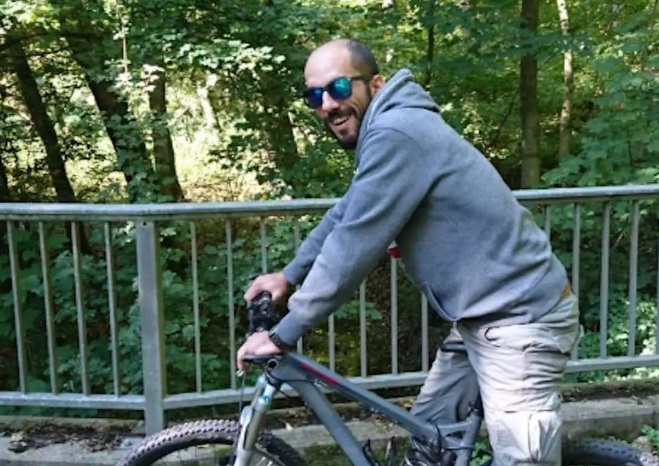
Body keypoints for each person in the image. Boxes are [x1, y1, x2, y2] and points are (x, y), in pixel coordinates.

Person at [237, 38, 581, 466]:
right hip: (481, 318)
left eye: (339, 88)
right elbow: (347, 214)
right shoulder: (389, 131)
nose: (327, 104)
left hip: (520, 321)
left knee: (521, 459)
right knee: (430, 445)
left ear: (376, 84)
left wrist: (282, 334)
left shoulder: (397, 133)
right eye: (314, 96)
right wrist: (288, 276)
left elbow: (352, 247)